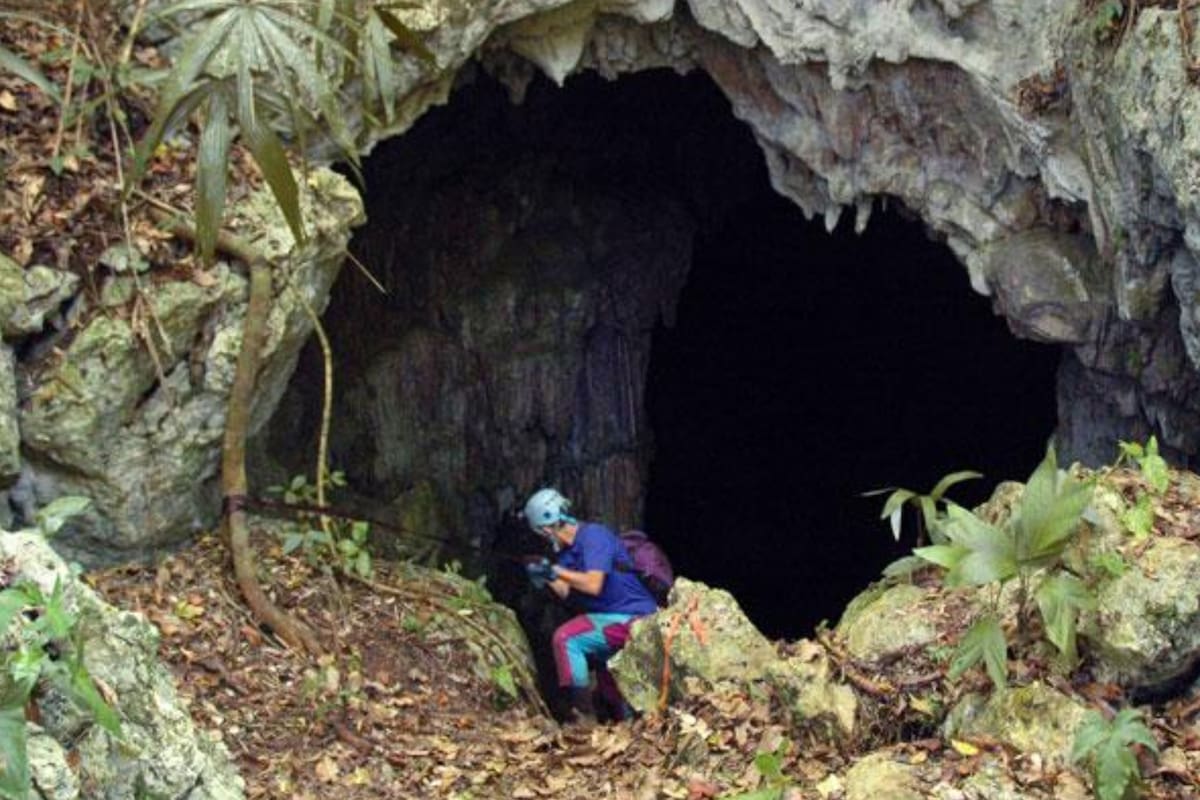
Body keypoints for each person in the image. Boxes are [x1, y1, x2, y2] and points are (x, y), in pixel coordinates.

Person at [522, 487, 658, 722]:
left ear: (545, 528)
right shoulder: (566, 556)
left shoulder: (593, 536)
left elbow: (593, 584)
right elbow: (568, 594)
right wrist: (547, 575)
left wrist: (556, 570)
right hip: (610, 622)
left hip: (634, 617)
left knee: (567, 639)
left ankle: (583, 718)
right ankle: (622, 726)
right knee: (609, 681)